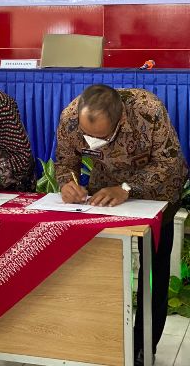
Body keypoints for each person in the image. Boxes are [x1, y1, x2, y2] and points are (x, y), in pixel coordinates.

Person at [55, 84, 188, 366]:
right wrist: (68, 183)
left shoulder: (148, 110)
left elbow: (170, 164)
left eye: (100, 136)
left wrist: (127, 188)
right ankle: (104, 338)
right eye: (87, 134)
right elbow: (66, 162)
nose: (92, 141)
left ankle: (143, 346)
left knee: (153, 271)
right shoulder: (70, 116)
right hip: (105, 195)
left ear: (119, 121)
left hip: (157, 194)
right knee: (104, 267)